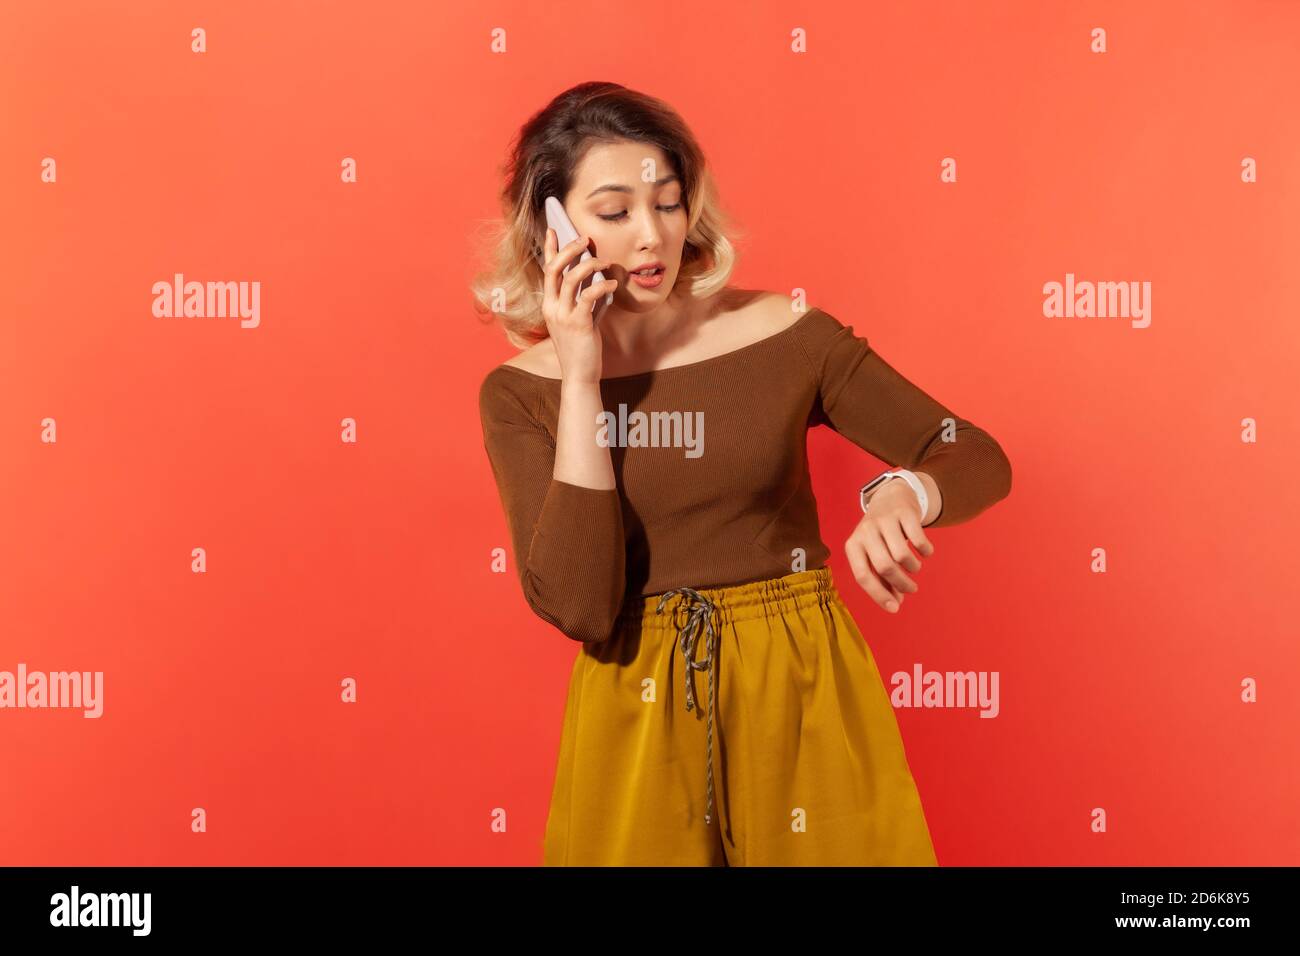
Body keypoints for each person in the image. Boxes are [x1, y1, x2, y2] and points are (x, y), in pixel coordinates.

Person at [473, 81, 1012, 866]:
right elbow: (584, 605)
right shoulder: (524, 393)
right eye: (615, 212)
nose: (652, 237)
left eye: (667, 201)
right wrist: (582, 374)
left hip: (800, 681)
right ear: (552, 227)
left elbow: (973, 453)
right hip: (636, 706)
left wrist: (904, 489)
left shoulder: (788, 335)